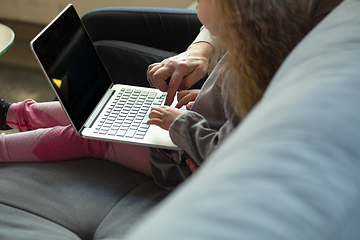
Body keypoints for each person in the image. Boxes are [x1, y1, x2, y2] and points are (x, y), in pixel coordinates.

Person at [0, 0, 341, 190]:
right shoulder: (248, 51)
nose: (196, 5)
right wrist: (204, 102)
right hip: (191, 130)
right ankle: (12, 112)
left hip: (179, 159)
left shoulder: (250, 75)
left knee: (88, 137)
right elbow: (228, 113)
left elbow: (230, 150)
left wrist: (183, 123)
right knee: (92, 111)